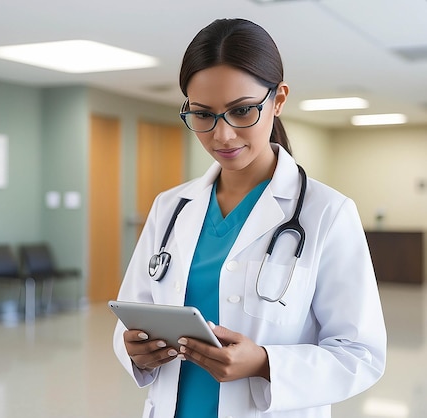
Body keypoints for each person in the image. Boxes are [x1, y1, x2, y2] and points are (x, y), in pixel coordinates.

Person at [112, 18, 386, 418]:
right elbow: (132, 314)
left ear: (278, 100)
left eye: (242, 111)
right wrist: (134, 349)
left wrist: (263, 362)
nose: (222, 136)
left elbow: (361, 354)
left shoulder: (327, 213)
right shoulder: (171, 207)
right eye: (202, 115)